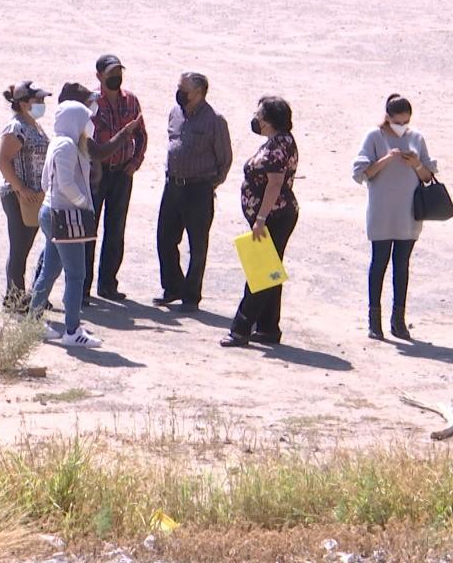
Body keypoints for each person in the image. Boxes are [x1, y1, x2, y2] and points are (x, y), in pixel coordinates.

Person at [29, 83, 143, 298]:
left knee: (53, 260)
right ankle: (58, 307)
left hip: (61, 206)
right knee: (62, 264)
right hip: (66, 208)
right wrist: (81, 202)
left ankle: (38, 303)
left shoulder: (74, 133)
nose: (94, 106)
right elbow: (98, 154)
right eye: (89, 102)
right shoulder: (68, 141)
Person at [351, 93, 437, 341]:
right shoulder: (374, 137)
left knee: (402, 266)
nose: (402, 126)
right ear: (387, 118)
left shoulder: (417, 138)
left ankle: (398, 321)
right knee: (379, 264)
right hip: (381, 212)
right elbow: (361, 173)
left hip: (408, 213)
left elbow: (427, 176)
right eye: (398, 121)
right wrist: (386, 159)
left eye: (406, 121)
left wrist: (416, 164)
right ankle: (374, 321)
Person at [221, 96, 298, 348]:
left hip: (273, 217)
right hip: (274, 216)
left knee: (260, 272)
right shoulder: (279, 141)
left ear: (269, 120)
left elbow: (275, 184)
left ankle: (240, 329)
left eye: (260, 115)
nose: (256, 119)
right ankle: (267, 327)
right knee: (271, 272)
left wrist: (261, 218)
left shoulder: (278, 146)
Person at [155, 72, 232, 313]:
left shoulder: (214, 120)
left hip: (199, 189)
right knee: (165, 238)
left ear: (198, 93)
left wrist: (210, 184)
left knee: (197, 245)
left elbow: (225, 159)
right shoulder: (175, 113)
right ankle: (172, 287)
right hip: (173, 185)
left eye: (184, 89)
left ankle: (191, 296)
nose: (179, 93)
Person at [30, 101, 104, 348]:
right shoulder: (68, 146)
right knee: (76, 274)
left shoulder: (59, 143)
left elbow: (44, 183)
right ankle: (72, 330)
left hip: (52, 212)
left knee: (49, 270)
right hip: (65, 216)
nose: (90, 125)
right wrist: (83, 203)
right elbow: (65, 184)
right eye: (86, 119)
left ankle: (33, 321)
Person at [85, 55, 148, 303]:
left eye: (119, 72)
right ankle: (83, 288)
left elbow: (141, 134)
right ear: (99, 75)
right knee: (89, 231)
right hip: (96, 175)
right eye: (111, 73)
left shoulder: (130, 100)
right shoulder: (90, 103)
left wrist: (135, 163)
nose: (116, 77)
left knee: (116, 230)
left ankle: (108, 285)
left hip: (122, 173)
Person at [0, 81, 50, 314]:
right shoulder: (15, 128)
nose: (42, 104)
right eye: (38, 100)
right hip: (18, 196)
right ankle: (15, 299)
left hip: (34, 196)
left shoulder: (34, 125)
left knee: (25, 246)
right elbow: (2, 160)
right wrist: (21, 188)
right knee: (19, 248)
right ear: (24, 103)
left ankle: (16, 296)